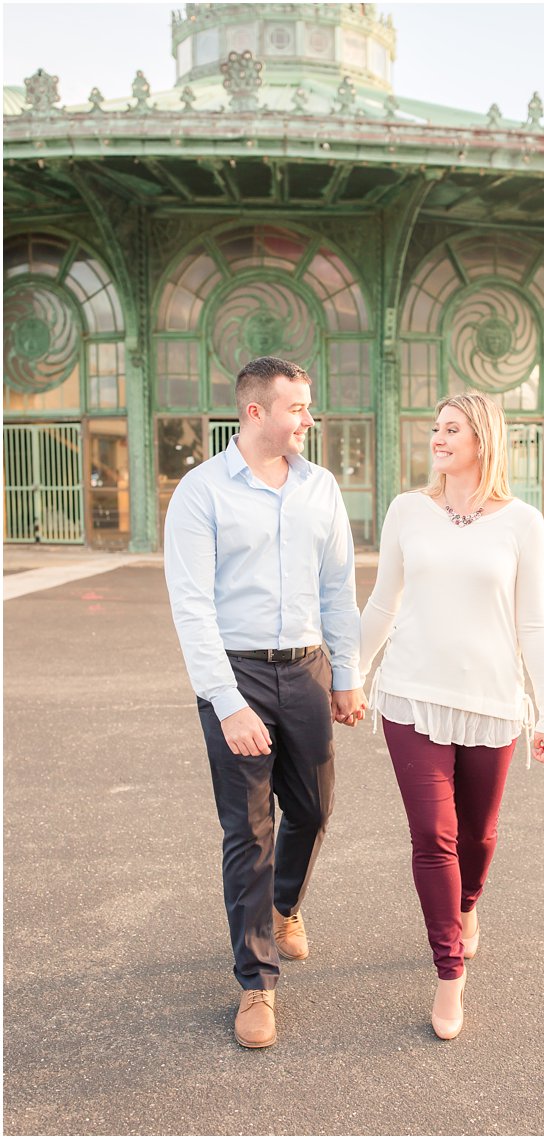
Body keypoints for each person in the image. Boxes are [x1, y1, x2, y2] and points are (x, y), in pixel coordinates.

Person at [164, 355, 367, 1050]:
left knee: (314, 806)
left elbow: (338, 585)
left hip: (307, 668)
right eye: (297, 408)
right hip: (238, 672)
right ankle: (256, 985)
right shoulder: (201, 492)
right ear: (255, 412)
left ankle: (284, 904)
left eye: (308, 406)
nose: (308, 419)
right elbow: (191, 608)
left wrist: (347, 673)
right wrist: (227, 701)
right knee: (248, 830)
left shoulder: (322, 488)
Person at [357, 392, 544, 1040]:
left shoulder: (523, 523)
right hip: (411, 695)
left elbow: (534, 621)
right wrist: (349, 676)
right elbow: (383, 602)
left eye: (452, 428)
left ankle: (468, 906)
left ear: (483, 438)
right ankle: (449, 971)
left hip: (493, 702)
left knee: (477, 836)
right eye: (435, 426)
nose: (438, 437)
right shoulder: (407, 511)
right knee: (433, 836)